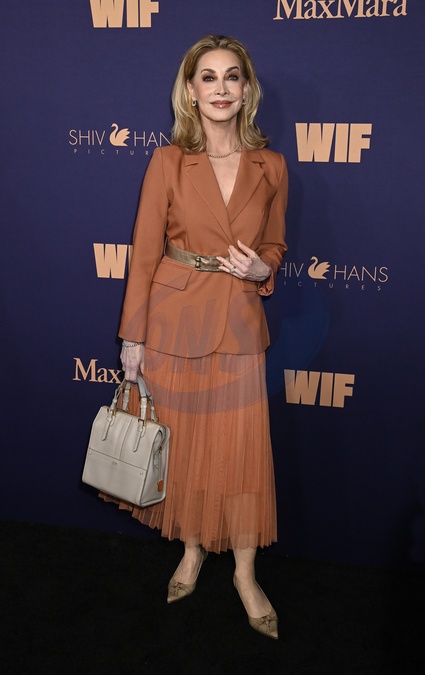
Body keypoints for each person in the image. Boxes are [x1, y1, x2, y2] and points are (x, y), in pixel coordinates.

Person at [106, 34, 288, 640]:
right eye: (208, 77)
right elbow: (144, 253)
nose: (220, 88)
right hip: (173, 322)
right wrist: (133, 338)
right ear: (190, 91)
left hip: (239, 323)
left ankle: (244, 573)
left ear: (247, 89)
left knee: (241, 455)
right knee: (184, 449)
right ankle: (190, 551)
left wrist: (263, 269)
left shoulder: (272, 166)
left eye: (232, 76)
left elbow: (275, 243)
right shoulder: (167, 162)